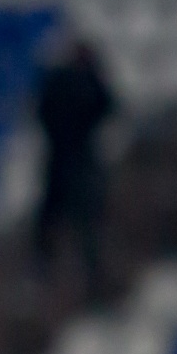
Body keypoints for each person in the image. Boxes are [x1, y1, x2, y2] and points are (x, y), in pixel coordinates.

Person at [33, 35, 115, 285]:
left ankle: (75, 272)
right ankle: (54, 269)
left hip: (69, 158)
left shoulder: (71, 80)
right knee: (65, 217)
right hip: (72, 158)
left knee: (75, 219)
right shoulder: (76, 80)